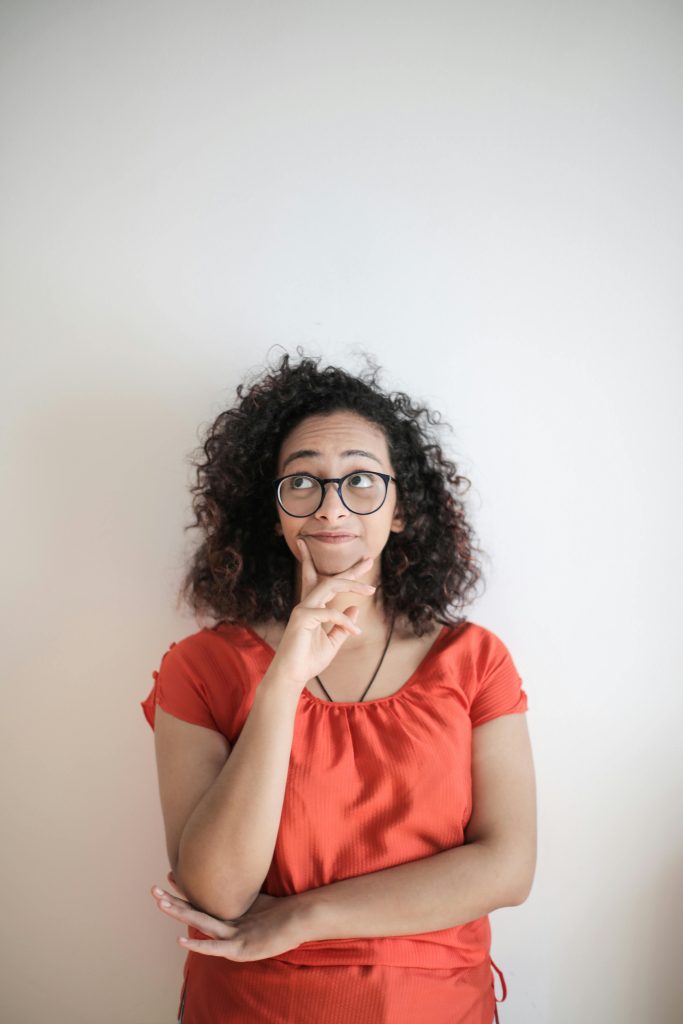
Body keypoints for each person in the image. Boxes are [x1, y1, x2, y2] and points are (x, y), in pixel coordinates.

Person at [140, 348, 537, 1024]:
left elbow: (507, 868)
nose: (331, 506)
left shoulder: (474, 660)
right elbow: (218, 893)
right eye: (302, 482)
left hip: (438, 1008)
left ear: (401, 509)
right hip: (252, 1007)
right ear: (274, 512)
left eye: (361, 481)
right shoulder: (200, 667)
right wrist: (283, 679)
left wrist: (301, 917)